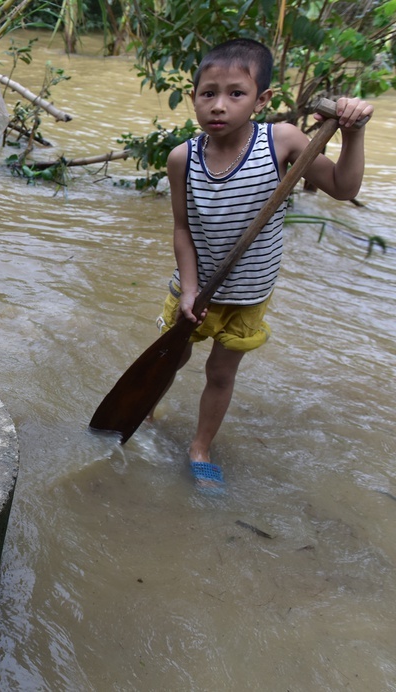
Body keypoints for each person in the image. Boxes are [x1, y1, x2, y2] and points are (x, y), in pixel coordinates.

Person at [156, 38, 373, 491]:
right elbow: (182, 229)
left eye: (236, 94)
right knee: (171, 357)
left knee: (220, 373)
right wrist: (190, 290)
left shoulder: (283, 141)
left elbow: (343, 187)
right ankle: (147, 409)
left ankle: (200, 447)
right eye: (207, 93)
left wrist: (353, 133)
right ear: (193, 95)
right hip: (193, 289)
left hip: (248, 296)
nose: (218, 106)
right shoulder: (182, 159)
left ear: (262, 100)